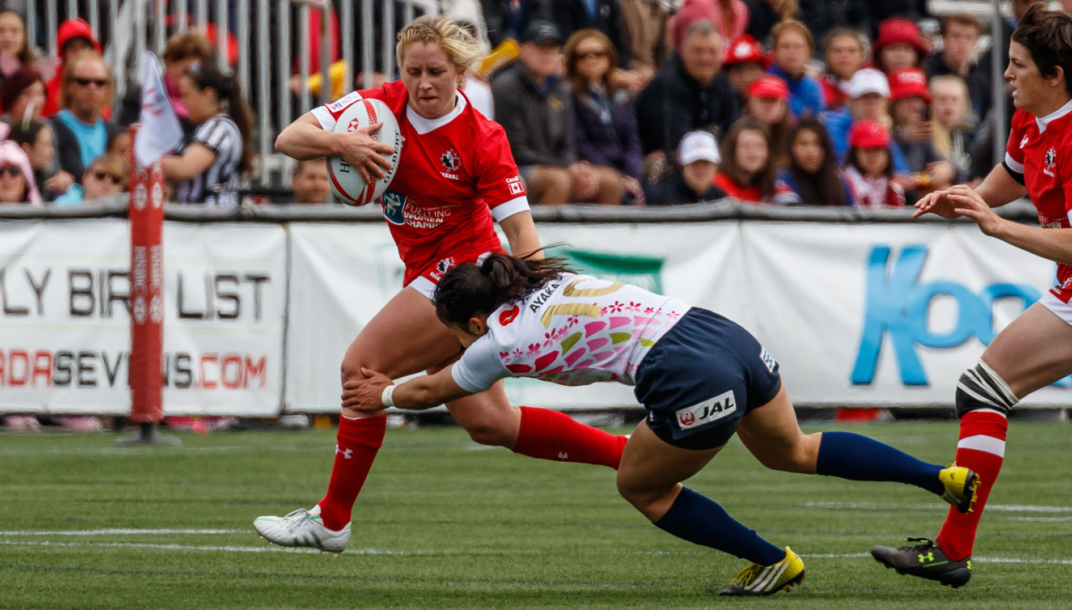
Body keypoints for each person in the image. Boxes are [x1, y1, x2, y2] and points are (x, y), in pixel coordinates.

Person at [338, 252, 980, 596]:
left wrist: (382, 392)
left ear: (473, 322)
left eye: (452, 332)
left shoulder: (490, 343)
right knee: (795, 448)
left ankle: (770, 561)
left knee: (640, 486)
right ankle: (941, 478)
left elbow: (432, 388)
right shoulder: (551, 279)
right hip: (719, 332)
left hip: (686, 373)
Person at [256, 15, 631, 553]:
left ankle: (332, 519)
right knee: (490, 423)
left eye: (436, 71)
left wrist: (538, 301)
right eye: (413, 71)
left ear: (461, 72)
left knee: (361, 371)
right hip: (427, 271)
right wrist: (342, 144)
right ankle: (626, 452)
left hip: (467, 272)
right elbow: (289, 138)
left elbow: (520, 230)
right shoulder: (378, 109)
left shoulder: (482, 137)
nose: (423, 83)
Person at [872, 4, 1072, 588]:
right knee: (983, 390)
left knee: (983, 390)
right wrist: (963, 199)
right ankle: (950, 550)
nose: (1007, 74)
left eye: (1017, 65)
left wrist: (997, 225)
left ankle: (951, 549)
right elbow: (1009, 180)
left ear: (1055, 74)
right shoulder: (1030, 118)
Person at [493, 21, 624, 205]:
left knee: (611, 180)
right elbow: (515, 150)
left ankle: (601, 234)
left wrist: (575, 167)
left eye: (553, 48)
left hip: (556, 166)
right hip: (518, 169)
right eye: (541, 47)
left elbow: (568, 144)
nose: (548, 54)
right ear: (524, 49)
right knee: (559, 180)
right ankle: (540, 234)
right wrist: (566, 168)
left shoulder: (562, 88)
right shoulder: (506, 87)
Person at [635, 20, 739, 163]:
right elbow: (681, 146)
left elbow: (734, 131)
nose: (705, 58)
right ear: (683, 51)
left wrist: (708, 134)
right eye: (698, 51)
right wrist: (714, 131)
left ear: (722, 53)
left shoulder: (721, 80)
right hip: (654, 168)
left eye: (712, 51)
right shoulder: (666, 84)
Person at [565, 29, 644, 205]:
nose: (591, 59)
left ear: (609, 59)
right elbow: (581, 142)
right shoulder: (570, 95)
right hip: (596, 169)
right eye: (583, 55)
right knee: (613, 186)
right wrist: (618, 177)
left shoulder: (622, 94)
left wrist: (632, 175)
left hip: (626, 169)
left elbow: (632, 139)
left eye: (598, 54)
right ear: (573, 62)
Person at [162, 61, 254, 207]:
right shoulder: (207, 127)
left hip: (211, 220)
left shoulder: (219, 128)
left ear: (207, 95)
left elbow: (186, 167)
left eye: (186, 96)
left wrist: (148, 161)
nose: (183, 103)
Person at [823, 67, 909, 173]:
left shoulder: (882, 126)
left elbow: (901, 174)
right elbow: (846, 169)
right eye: (864, 97)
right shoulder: (834, 126)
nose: (870, 103)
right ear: (850, 101)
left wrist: (884, 135)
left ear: (886, 103)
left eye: (876, 97)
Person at [888, 68, 954, 200]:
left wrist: (949, 169)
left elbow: (944, 166)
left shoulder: (922, 131)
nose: (914, 105)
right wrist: (901, 136)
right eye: (907, 99)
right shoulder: (882, 130)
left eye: (918, 99)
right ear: (893, 103)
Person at [50, 51, 112, 182]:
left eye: (100, 82)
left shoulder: (113, 132)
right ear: (69, 86)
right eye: (83, 82)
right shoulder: (50, 129)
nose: (92, 88)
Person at [923, 14, 992, 122]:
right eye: (956, 36)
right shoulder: (926, 73)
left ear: (976, 44)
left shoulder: (981, 81)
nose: (962, 43)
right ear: (944, 39)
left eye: (968, 38)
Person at [712, 116, 791, 203]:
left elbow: (794, 207)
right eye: (745, 146)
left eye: (759, 146)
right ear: (732, 150)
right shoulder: (716, 186)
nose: (752, 153)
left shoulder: (775, 185)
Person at [778, 117, 854, 206]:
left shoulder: (840, 185)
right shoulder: (783, 182)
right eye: (803, 144)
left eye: (817, 143)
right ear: (792, 148)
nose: (811, 151)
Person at [646, 130, 725, 204]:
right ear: (682, 166)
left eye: (706, 163)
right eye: (694, 162)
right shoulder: (667, 196)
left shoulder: (719, 196)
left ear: (716, 166)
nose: (700, 169)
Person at [42, 18, 100, 118]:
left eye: (84, 47)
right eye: (73, 49)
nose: (79, 53)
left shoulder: (100, 85)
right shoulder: (47, 90)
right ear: (63, 55)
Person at [767, 20, 825, 118]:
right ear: (774, 52)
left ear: (809, 53)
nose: (792, 51)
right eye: (785, 46)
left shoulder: (813, 87)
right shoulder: (766, 83)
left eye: (798, 46)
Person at [162, 30, 214, 138]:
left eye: (196, 71)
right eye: (185, 71)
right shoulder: (144, 98)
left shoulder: (210, 99)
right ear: (169, 64)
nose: (190, 77)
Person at [842, 119, 905, 208]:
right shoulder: (846, 182)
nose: (873, 155)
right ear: (855, 153)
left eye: (878, 149)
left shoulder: (893, 186)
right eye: (867, 150)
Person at [929, 75, 976, 184]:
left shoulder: (969, 136)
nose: (948, 105)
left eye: (954, 100)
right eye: (942, 100)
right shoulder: (923, 137)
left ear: (965, 105)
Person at [9, 119, 71, 201]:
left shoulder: (45, 181)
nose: (52, 152)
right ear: (26, 150)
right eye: (46, 145)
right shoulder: (9, 185)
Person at [743, 75, 791, 162]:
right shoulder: (736, 133)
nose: (768, 105)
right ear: (749, 102)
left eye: (774, 100)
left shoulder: (793, 136)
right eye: (763, 99)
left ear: (783, 105)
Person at [818, 28, 866, 111]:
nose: (844, 55)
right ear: (826, 56)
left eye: (852, 51)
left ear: (862, 56)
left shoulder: (873, 85)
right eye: (837, 51)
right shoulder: (818, 88)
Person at [54, 154, 127, 205]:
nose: (108, 182)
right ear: (85, 178)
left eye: (116, 179)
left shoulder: (126, 216)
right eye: (100, 175)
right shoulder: (63, 206)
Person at [722, 34, 768, 100]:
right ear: (727, 73)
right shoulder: (716, 102)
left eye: (751, 69)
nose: (745, 76)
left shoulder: (775, 101)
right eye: (738, 69)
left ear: (762, 72)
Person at [0, 137, 40, 204]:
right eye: (0, 171)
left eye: (14, 171)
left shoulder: (41, 213)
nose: (6, 176)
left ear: (25, 179)